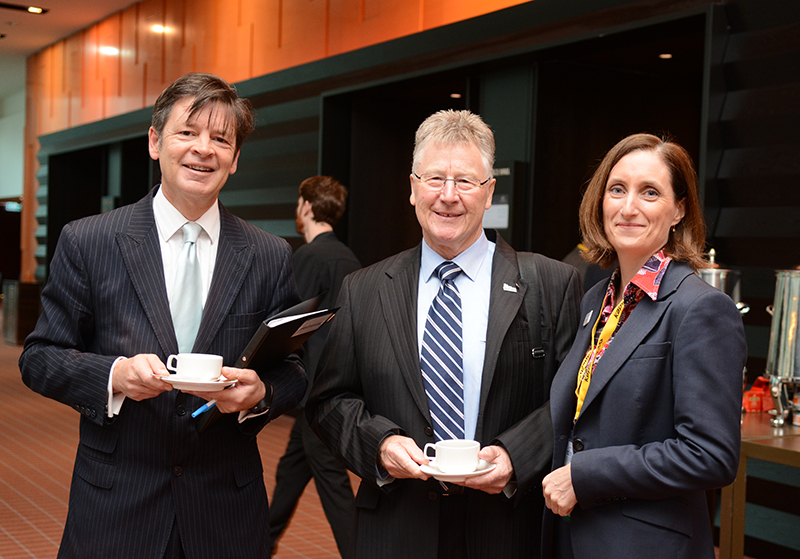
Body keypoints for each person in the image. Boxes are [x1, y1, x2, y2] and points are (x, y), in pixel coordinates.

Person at [19, 72, 307, 559]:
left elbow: (295, 368)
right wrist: (115, 375)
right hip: (116, 508)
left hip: (226, 515)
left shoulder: (268, 254)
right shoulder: (89, 241)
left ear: (236, 158)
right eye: (187, 132)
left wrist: (262, 393)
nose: (203, 149)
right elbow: (40, 357)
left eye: (221, 139)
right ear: (155, 142)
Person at [306, 109, 582, 559]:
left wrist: (515, 457)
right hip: (397, 529)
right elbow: (329, 402)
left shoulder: (551, 284)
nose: (448, 196)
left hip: (507, 530)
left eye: (465, 181)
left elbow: (571, 398)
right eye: (435, 178)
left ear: (488, 192)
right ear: (413, 187)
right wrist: (380, 445)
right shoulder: (364, 289)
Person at [541, 133, 747, 559]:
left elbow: (709, 455)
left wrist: (585, 475)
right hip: (572, 537)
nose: (628, 207)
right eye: (617, 189)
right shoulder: (596, 300)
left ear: (679, 210)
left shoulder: (701, 308)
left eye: (650, 192)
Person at [269, 176, 360, 557]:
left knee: (332, 483)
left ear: (306, 206)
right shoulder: (348, 258)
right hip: (335, 387)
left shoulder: (307, 257)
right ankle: (260, 543)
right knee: (291, 471)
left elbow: (292, 327)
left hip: (314, 394)